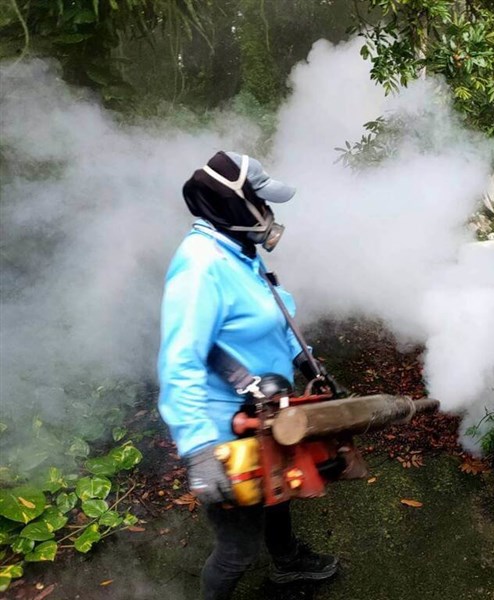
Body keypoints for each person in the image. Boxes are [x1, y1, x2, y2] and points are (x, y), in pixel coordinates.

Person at [158, 151, 338, 600]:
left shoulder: (239, 251)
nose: (268, 211)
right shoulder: (201, 265)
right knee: (237, 548)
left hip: (268, 412)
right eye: (261, 201)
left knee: (277, 490)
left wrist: (307, 361)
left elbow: (275, 317)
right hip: (226, 430)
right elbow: (179, 360)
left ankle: (287, 562)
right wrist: (199, 449)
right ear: (233, 204)